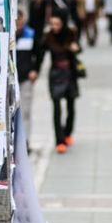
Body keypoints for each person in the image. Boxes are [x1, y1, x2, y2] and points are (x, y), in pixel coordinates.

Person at [39, 13, 79, 154]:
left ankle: (67, 133)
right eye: (52, 24)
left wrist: (76, 48)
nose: (54, 27)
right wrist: (35, 69)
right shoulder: (48, 36)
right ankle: (59, 141)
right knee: (56, 107)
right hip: (56, 74)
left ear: (63, 24)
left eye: (57, 24)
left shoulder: (70, 34)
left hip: (70, 73)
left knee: (71, 106)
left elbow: (78, 48)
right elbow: (40, 53)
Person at [15, 10, 38, 145]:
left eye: (19, 20)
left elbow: (38, 53)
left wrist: (35, 69)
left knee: (25, 111)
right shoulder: (7, 35)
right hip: (11, 80)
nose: (18, 23)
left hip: (25, 78)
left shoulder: (30, 34)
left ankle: (25, 141)